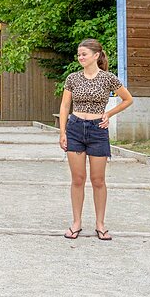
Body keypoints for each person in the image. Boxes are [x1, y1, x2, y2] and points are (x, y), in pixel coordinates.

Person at [58, 39, 134, 240]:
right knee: (78, 179)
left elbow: (128, 99)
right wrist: (62, 131)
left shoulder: (108, 78)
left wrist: (109, 114)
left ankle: (100, 224)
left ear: (96, 55)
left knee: (98, 180)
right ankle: (76, 223)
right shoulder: (73, 78)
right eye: (79, 54)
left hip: (97, 130)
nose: (80, 57)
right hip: (75, 128)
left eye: (84, 54)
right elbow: (65, 106)